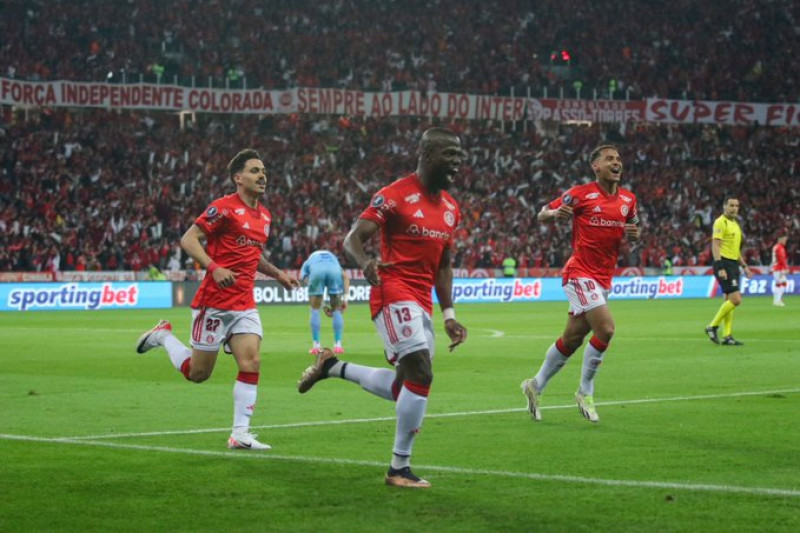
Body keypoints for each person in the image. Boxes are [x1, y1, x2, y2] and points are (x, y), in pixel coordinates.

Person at [296, 127, 468, 488]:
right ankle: (398, 469)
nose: (458, 161)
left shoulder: (451, 208)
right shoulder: (395, 196)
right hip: (392, 289)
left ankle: (333, 366)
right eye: (449, 154)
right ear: (426, 154)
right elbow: (353, 238)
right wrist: (366, 262)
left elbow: (445, 263)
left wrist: (448, 314)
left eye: (459, 155)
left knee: (404, 385)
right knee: (421, 372)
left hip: (421, 299)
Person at [135, 148, 300, 450]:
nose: (262, 175)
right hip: (214, 301)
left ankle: (240, 434)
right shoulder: (223, 208)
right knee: (198, 374)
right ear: (238, 178)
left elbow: (253, 255)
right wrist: (214, 266)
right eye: (254, 170)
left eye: (263, 170)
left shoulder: (264, 215)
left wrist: (278, 274)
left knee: (251, 361)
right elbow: (188, 239)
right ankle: (162, 336)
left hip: (244, 303)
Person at [521, 145, 640, 423]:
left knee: (573, 339)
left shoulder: (628, 199)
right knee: (606, 329)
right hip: (579, 273)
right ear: (595, 167)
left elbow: (634, 227)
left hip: (602, 279)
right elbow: (542, 213)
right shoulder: (580, 194)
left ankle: (534, 385)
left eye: (619, 159)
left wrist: (635, 234)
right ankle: (585, 391)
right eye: (609, 159)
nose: (616, 162)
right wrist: (554, 215)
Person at [704, 197, 753, 345]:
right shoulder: (720, 222)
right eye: (731, 205)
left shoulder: (735, 225)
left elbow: (736, 250)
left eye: (736, 206)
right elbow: (715, 246)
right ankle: (712, 326)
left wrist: (744, 266)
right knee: (736, 299)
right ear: (724, 206)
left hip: (733, 264)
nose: (734, 208)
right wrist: (720, 267)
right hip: (724, 263)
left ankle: (727, 336)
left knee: (728, 301)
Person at [300, 250, 351, 354]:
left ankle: (316, 346)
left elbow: (309, 282)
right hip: (334, 271)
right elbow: (346, 277)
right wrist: (346, 299)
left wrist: (322, 305)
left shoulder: (307, 263)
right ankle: (338, 346)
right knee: (337, 311)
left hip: (317, 271)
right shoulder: (334, 261)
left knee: (314, 310)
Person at [771, 234, 789, 307]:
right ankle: (777, 301)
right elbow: (781, 259)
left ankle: (777, 300)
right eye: (784, 240)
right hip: (779, 268)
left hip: (776, 268)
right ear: (780, 239)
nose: (785, 241)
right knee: (781, 283)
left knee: (781, 283)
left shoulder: (776, 247)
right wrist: (785, 268)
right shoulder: (780, 248)